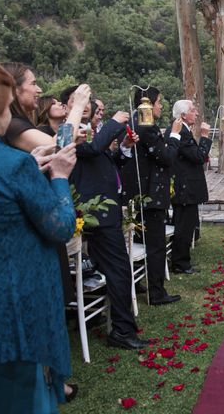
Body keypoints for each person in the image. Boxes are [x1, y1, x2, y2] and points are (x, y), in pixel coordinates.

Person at [0, 62, 78, 412]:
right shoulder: (11, 165)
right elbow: (61, 226)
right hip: (10, 310)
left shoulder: (15, 165)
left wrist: (29, 167)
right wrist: (59, 176)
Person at [66, 86, 149, 350]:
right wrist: (114, 123)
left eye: (90, 102)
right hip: (95, 215)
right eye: (82, 101)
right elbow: (90, 151)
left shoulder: (88, 132)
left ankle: (115, 324)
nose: (88, 106)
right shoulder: (67, 134)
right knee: (119, 270)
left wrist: (124, 147)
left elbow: (103, 159)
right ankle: (122, 331)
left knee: (117, 270)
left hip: (105, 211)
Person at [121, 86, 182, 305]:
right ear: (146, 105)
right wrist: (174, 135)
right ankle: (156, 293)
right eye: (158, 103)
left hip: (138, 194)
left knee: (139, 240)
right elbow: (166, 157)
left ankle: (138, 284)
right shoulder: (147, 128)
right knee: (155, 245)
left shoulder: (135, 125)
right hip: (150, 196)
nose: (160, 106)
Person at [0, 62, 89, 152]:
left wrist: (74, 140)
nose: (39, 90)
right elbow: (57, 147)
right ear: (16, 89)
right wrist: (78, 106)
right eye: (33, 84)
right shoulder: (12, 124)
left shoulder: (15, 122)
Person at [171, 99, 212, 275]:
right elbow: (197, 157)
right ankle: (180, 263)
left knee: (188, 226)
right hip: (185, 189)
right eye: (193, 110)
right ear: (183, 115)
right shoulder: (182, 134)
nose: (196, 113)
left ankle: (183, 261)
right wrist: (204, 137)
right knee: (184, 227)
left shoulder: (185, 131)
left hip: (187, 187)